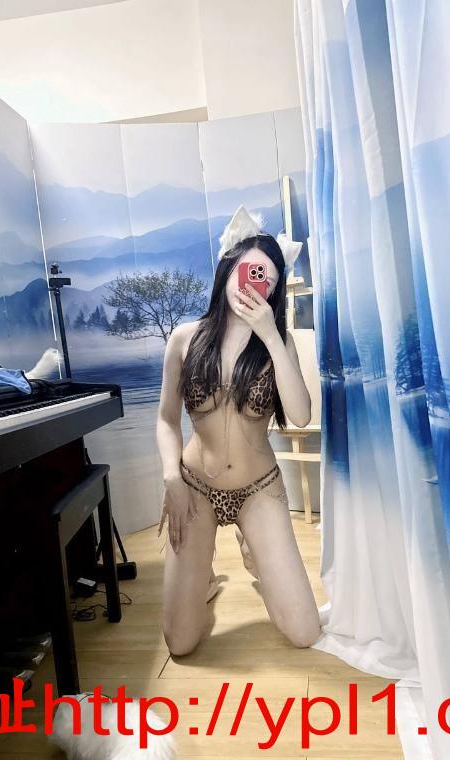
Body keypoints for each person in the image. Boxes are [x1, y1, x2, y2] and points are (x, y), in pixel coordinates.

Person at [156, 205, 321, 656]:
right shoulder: (185, 338)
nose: (254, 285)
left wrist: (271, 335)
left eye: (267, 280)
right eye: (249, 271)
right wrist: (171, 477)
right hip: (195, 487)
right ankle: (203, 580)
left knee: (304, 632)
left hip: (258, 489)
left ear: (274, 291)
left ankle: (258, 554)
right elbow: (167, 419)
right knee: (180, 643)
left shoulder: (277, 342)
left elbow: (300, 415)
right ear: (228, 268)